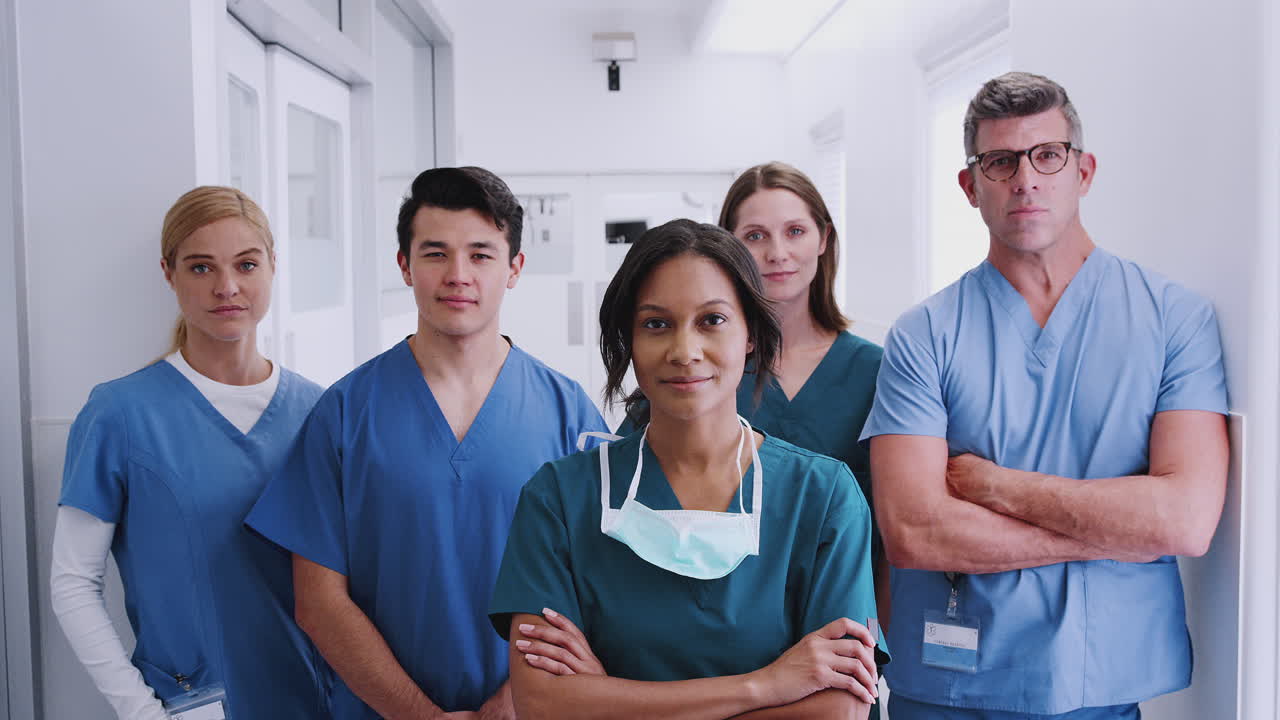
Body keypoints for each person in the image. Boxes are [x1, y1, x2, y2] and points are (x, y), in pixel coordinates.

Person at [860, 71, 1229, 719]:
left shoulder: (1174, 319)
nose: (1025, 179)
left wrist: (994, 487)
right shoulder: (925, 334)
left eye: (1046, 155)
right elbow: (915, 531)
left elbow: (1183, 521)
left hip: (1101, 686)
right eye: (1000, 161)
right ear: (971, 187)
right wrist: (1116, 532)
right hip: (950, 689)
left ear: (1083, 171)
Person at [246, 166, 607, 719]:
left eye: (481, 255)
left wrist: (509, 706)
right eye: (435, 253)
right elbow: (318, 602)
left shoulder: (568, 411)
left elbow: (596, 586)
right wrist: (420, 716)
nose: (458, 275)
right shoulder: (345, 413)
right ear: (405, 266)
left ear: (514, 270)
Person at [489, 219, 886, 720]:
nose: (684, 351)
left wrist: (606, 697)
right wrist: (766, 686)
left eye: (712, 320)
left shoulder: (823, 496)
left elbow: (837, 710)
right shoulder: (561, 498)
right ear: (628, 341)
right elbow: (542, 702)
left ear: (749, 335)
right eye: (656, 324)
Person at [52, 186, 328, 719]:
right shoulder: (120, 414)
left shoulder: (320, 412)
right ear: (168, 273)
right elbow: (72, 582)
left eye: (246, 265)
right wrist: (142, 712)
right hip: (189, 705)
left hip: (313, 700)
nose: (227, 287)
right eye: (201, 268)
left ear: (273, 266)